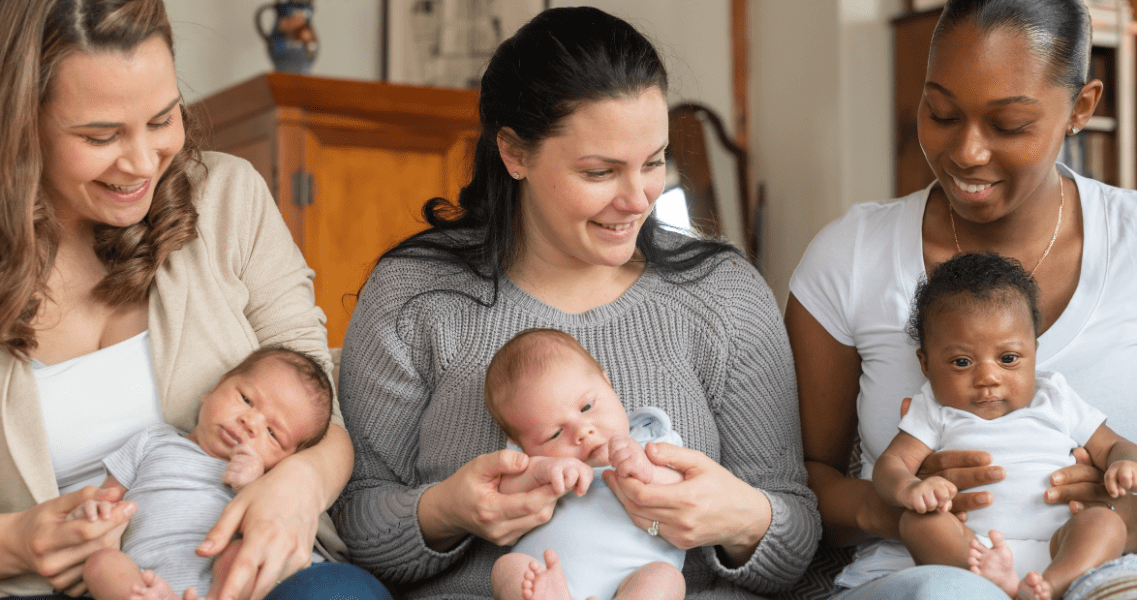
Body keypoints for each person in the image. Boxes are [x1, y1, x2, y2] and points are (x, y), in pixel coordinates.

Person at [335, 6, 820, 599]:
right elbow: (354, 523)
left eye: (654, 162)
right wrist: (448, 510)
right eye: (599, 172)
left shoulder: (721, 293)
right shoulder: (417, 295)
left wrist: (742, 518)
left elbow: (797, 536)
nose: (638, 198)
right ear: (514, 153)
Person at [0, 1, 389, 599]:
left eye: (162, 119)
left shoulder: (229, 201)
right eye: (100, 136)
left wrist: (300, 483)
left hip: (244, 572)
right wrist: (17, 541)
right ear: (19, 123)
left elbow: (321, 413)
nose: (142, 163)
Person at [785, 0, 1137, 598]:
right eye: (941, 111)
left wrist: (1124, 499)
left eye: (1010, 125)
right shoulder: (848, 258)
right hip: (923, 578)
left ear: (1082, 107)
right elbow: (792, 483)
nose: (968, 152)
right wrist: (895, 502)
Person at [871, 253, 1137, 600]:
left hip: (1060, 541)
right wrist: (908, 488)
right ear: (925, 362)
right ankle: (991, 586)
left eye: (1008, 359)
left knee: (1105, 522)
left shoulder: (1055, 396)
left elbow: (1115, 444)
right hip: (973, 550)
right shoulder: (933, 408)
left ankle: (1051, 587)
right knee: (917, 523)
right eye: (962, 362)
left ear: (1035, 352)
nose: (988, 378)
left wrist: (1122, 464)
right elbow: (890, 465)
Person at [76, 347, 335, 600]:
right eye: (246, 399)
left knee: (241, 553)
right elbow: (107, 496)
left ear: (287, 459)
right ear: (213, 388)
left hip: (218, 583)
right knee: (100, 563)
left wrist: (250, 487)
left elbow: (264, 526)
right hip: (137, 575)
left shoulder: (264, 481)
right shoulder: (152, 440)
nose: (251, 422)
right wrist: (94, 510)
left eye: (272, 433)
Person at [483, 328, 686, 600]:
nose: (582, 431)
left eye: (587, 406)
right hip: (548, 575)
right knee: (507, 567)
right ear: (522, 445)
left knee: (666, 578)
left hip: (634, 574)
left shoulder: (651, 439)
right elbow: (503, 500)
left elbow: (686, 491)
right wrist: (542, 471)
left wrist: (647, 470)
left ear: (607, 381)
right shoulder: (529, 464)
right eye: (554, 434)